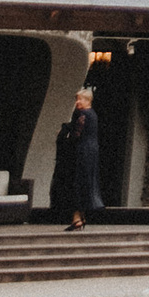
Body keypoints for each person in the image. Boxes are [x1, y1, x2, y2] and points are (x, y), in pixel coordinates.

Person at [48, 89, 101, 231]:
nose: (77, 102)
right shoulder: (92, 114)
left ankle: (77, 217)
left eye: (80, 99)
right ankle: (79, 216)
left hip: (82, 152)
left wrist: (64, 136)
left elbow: (76, 134)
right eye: (77, 99)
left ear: (88, 100)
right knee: (84, 182)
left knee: (77, 182)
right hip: (90, 152)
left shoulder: (83, 115)